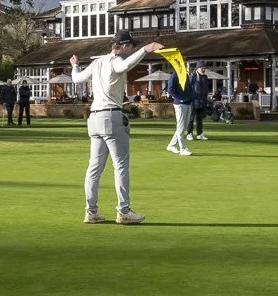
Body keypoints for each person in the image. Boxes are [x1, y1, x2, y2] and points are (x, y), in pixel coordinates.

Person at [71, 30, 160, 224]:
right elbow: (125, 65)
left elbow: (77, 78)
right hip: (111, 116)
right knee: (120, 166)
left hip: (94, 118)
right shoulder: (116, 61)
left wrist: (75, 66)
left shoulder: (97, 62)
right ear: (125, 46)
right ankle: (123, 211)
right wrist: (146, 49)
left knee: (94, 167)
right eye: (132, 47)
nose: (132, 50)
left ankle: (91, 212)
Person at [166, 64, 196, 156]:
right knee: (181, 126)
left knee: (183, 126)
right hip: (180, 104)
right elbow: (170, 89)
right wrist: (180, 98)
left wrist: (190, 98)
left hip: (188, 102)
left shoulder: (186, 75)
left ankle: (171, 145)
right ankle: (183, 148)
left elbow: (189, 88)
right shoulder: (174, 75)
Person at [190, 67, 211, 139]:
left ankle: (199, 134)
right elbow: (189, 87)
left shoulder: (205, 77)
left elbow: (206, 88)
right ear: (198, 68)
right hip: (193, 101)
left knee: (200, 118)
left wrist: (206, 98)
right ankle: (189, 133)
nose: (204, 70)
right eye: (202, 68)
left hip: (202, 101)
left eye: (205, 68)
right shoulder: (192, 76)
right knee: (191, 118)